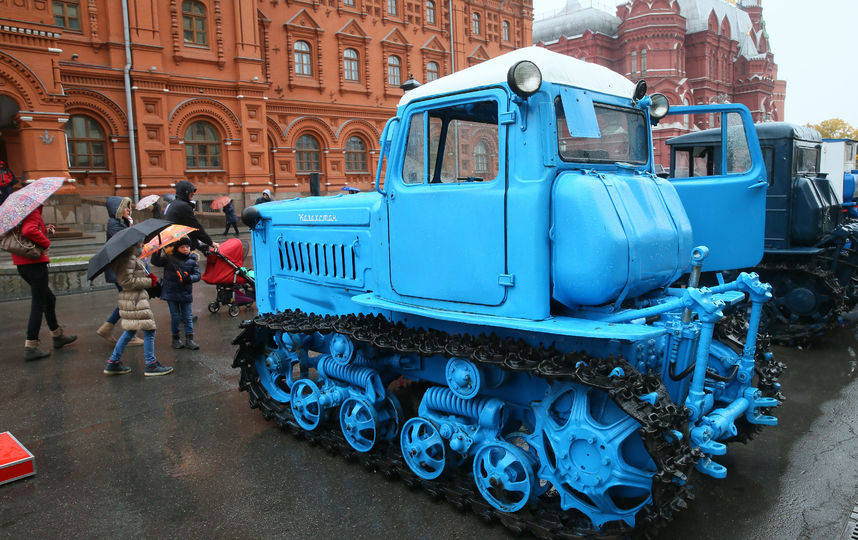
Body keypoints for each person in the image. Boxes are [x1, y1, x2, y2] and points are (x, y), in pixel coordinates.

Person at [13, 206, 77, 360]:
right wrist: (45, 241)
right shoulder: (32, 211)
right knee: (39, 303)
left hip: (22, 262)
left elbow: (25, 232)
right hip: (34, 262)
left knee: (49, 298)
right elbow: (29, 231)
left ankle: (57, 336)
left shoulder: (20, 211)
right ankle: (31, 346)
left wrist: (44, 229)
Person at [103, 241, 172, 376]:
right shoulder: (128, 260)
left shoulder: (129, 258)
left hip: (133, 298)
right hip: (135, 299)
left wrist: (146, 277)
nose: (142, 247)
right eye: (140, 245)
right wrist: (148, 281)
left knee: (130, 331)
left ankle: (113, 362)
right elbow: (127, 281)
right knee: (149, 330)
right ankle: (151, 364)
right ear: (132, 246)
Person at [96, 197, 143, 346]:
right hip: (119, 269)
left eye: (129, 207)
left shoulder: (120, 223)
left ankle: (108, 327)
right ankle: (129, 336)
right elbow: (125, 244)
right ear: (117, 210)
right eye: (125, 207)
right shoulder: (114, 224)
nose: (129, 210)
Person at [151, 236, 201, 350]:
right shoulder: (169, 258)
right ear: (177, 248)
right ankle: (176, 338)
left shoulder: (192, 261)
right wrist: (158, 250)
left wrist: (189, 278)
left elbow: (198, 275)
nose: (185, 249)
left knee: (187, 316)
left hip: (185, 292)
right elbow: (155, 261)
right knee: (175, 317)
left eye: (187, 247)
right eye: (182, 247)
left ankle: (190, 339)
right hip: (171, 292)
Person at [164, 180, 218, 251]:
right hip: (180, 246)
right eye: (191, 191)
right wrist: (211, 243)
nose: (193, 193)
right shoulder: (183, 206)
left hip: (175, 243)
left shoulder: (175, 203)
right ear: (184, 192)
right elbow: (195, 226)